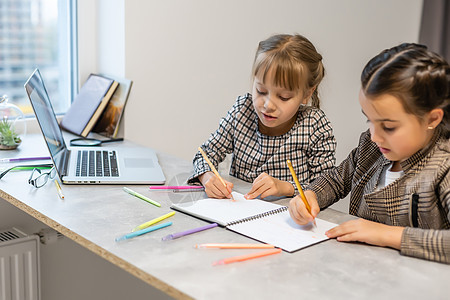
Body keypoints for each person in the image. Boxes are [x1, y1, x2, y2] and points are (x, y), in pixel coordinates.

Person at [289, 43, 450, 264]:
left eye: (389, 127)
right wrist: (310, 195)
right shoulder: (372, 146)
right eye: (369, 120)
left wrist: (387, 234)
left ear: (432, 119)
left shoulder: (444, 165)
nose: (374, 136)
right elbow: (337, 179)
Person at [187, 34, 336, 199]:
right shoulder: (243, 109)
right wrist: (207, 177)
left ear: (307, 94)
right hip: (240, 210)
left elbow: (326, 186)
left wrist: (285, 187)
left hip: (289, 218)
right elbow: (206, 153)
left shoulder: (314, 125)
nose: (268, 105)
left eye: (284, 97)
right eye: (261, 91)